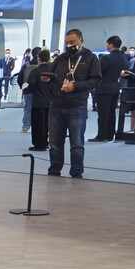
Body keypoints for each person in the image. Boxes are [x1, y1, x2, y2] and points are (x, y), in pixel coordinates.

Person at [48, 28, 102, 179]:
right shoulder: (60, 58)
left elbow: (95, 80)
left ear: (81, 40)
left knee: (76, 143)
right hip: (57, 105)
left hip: (77, 106)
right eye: (67, 43)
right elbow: (51, 77)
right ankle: (54, 170)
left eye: (72, 42)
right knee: (54, 142)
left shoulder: (90, 58)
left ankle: (76, 171)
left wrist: (76, 86)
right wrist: (49, 83)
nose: (69, 45)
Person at [92, 35, 129, 142]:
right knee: (112, 112)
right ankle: (110, 134)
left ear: (111, 44)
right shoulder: (123, 57)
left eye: (107, 44)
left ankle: (102, 135)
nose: (107, 46)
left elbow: (98, 72)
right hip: (115, 87)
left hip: (104, 88)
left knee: (103, 113)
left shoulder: (106, 58)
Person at [26, 49, 55, 152]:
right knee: (48, 124)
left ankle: (39, 144)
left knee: (37, 124)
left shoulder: (35, 71)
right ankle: (47, 143)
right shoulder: (54, 70)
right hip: (51, 102)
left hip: (38, 102)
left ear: (39, 58)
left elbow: (31, 85)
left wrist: (26, 89)